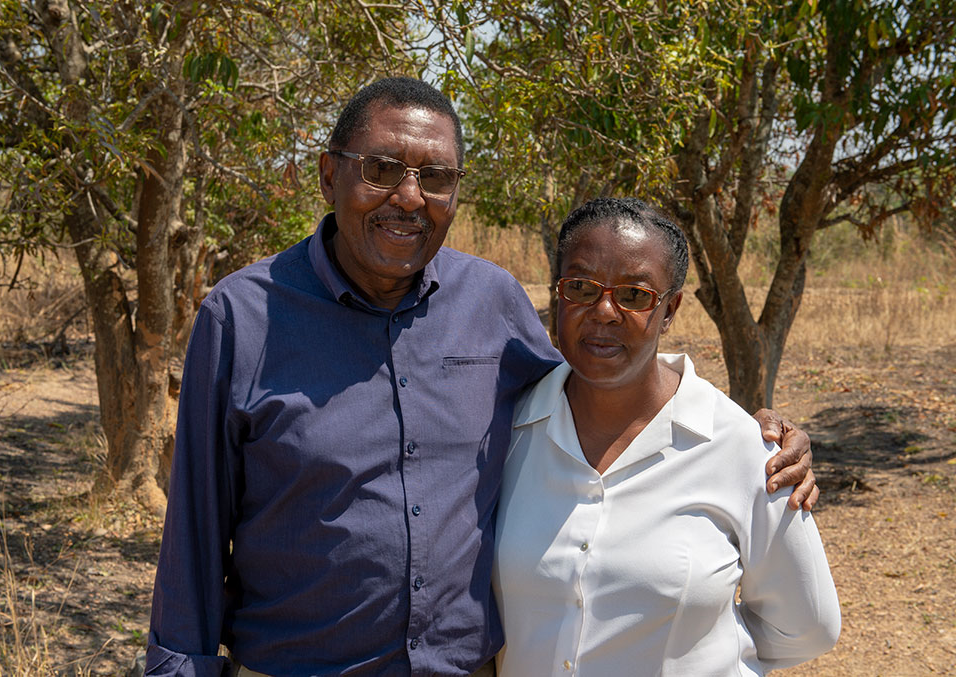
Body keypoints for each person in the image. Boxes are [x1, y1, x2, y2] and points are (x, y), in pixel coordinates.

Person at [146, 78, 817, 677]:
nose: (408, 198)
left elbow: (596, 385)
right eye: (381, 169)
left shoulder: (490, 301)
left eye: (435, 178)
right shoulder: (243, 316)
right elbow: (196, 539)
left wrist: (745, 430)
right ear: (329, 175)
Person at [493, 197, 840, 676]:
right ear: (558, 294)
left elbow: (808, 627)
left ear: (671, 308)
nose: (604, 311)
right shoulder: (507, 429)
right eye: (581, 287)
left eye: (634, 295)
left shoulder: (741, 447)